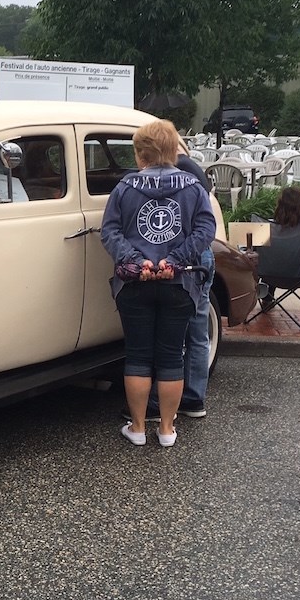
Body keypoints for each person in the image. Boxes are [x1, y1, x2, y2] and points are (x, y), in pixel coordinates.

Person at [101, 120, 216, 448]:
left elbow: (109, 231)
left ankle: (137, 428)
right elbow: (205, 230)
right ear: (174, 152)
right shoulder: (193, 186)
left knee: (137, 355)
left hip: (134, 284)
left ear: (140, 155)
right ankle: (167, 429)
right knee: (170, 356)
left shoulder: (125, 188)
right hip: (178, 282)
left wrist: (137, 262)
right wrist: (175, 260)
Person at [147, 139, 214, 419]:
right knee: (198, 332)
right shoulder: (191, 170)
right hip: (202, 254)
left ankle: (161, 403)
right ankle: (194, 398)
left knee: (168, 332)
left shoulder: (175, 173)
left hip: (184, 256)